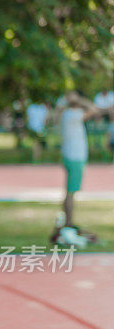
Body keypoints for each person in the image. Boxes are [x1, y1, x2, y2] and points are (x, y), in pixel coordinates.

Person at [52, 90, 102, 248]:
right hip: (75, 157)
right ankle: (68, 223)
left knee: (69, 191)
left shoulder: (66, 114)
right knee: (71, 192)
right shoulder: (73, 115)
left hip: (69, 155)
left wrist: (70, 102)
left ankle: (66, 222)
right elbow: (94, 109)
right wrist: (80, 100)